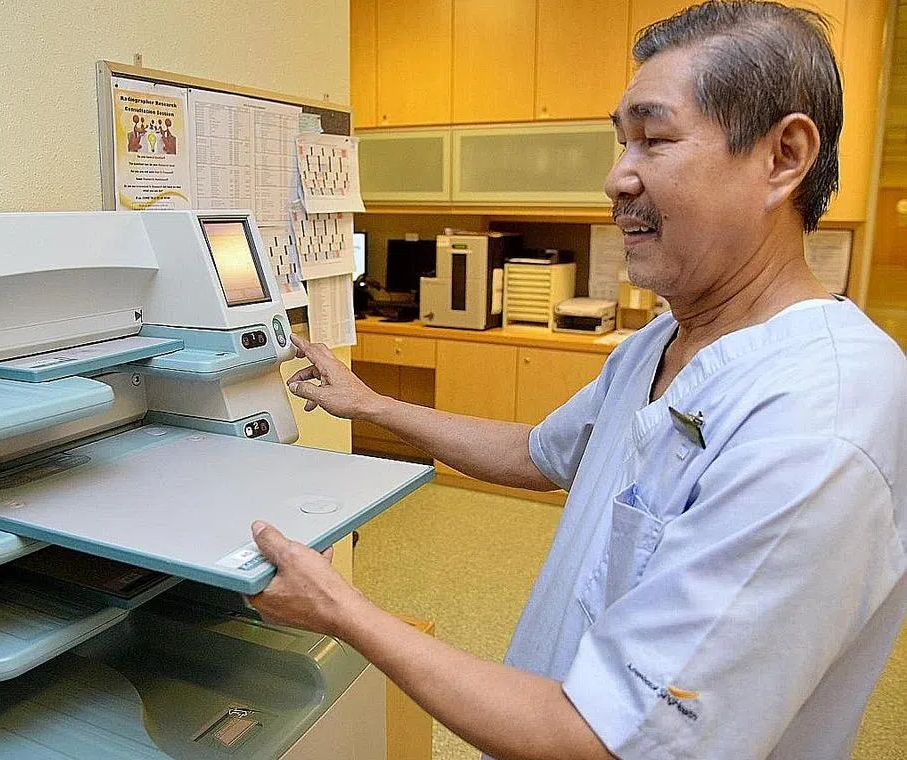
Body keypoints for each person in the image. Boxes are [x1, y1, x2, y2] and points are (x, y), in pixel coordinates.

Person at [246, 2, 907, 759]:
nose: (616, 177)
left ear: (783, 157)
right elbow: (539, 452)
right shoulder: (661, 341)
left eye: (655, 139)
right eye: (621, 141)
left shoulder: (818, 421)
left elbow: (608, 740)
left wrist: (342, 610)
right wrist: (371, 405)